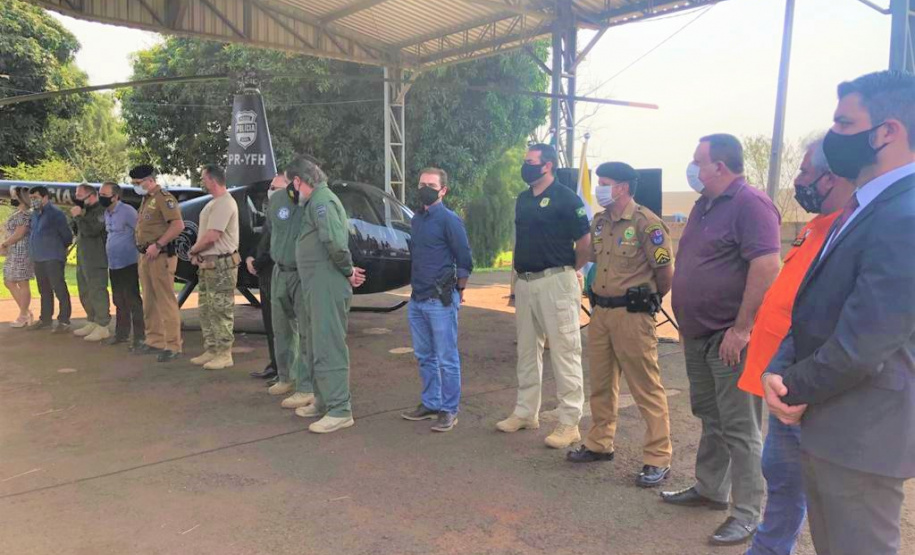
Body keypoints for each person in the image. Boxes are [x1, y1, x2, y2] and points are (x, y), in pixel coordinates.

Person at [763, 70, 915, 555]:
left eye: (844, 124)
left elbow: (865, 340)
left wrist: (792, 385)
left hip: (863, 432)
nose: (835, 137)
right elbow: (821, 311)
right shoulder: (869, 206)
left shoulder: (905, 214)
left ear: (887, 131)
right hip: (835, 423)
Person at [663, 134, 781, 546]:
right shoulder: (704, 205)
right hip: (699, 335)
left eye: (698, 161)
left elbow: (766, 266)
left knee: (741, 427)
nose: (693, 168)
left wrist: (742, 329)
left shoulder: (751, 203)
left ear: (721, 166)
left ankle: (748, 513)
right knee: (711, 417)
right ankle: (711, 489)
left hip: (729, 338)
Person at [737, 138, 854, 555]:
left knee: (823, 494)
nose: (798, 180)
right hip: (785, 380)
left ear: (832, 175)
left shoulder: (853, 230)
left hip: (810, 385)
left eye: (805, 172)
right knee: (783, 477)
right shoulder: (816, 226)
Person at [567, 162, 674, 489]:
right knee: (600, 382)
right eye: (599, 182)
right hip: (600, 313)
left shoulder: (646, 223)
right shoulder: (599, 223)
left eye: (605, 182)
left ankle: (658, 457)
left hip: (632, 315)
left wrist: (649, 298)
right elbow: (595, 260)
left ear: (623, 187)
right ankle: (600, 443)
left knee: (646, 387)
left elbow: (665, 272)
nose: (600, 188)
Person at [496, 143, 591, 450]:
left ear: (547, 165)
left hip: (556, 281)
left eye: (531, 161)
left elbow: (586, 242)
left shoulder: (567, 198)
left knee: (564, 350)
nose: (526, 166)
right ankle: (526, 412)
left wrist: (569, 271)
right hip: (525, 282)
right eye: (525, 160)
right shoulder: (523, 199)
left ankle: (569, 422)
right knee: (527, 350)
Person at [286, 157, 366, 434]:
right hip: (316, 284)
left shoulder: (322, 202)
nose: (291, 191)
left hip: (326, 284)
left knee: (329, 344)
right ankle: (323, 400)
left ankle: (340, 409)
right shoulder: (315, 202)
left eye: (291, 185)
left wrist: (346, 270)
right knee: (317, 343)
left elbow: (334, 242)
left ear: (298, 181)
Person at [400, 167, 473, 433]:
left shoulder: (449, 220)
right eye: (422, 183)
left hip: (440, 300)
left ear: (443, 190)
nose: (425, 188)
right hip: (418, 299)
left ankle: (449, 410)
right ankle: (431, 403)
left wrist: (458, 291)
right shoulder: (417, 220)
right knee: (424, 356)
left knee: (446, 358)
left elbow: (464, 258)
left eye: (431, 184)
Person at [256, 174, 312, 409]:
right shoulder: (276, 206)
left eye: (276, 187)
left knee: (306, 332)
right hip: (279, 270)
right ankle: (285, 376)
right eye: (271, 187)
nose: (272, 191)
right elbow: (267, 236)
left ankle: (306, 386)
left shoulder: (305, 206)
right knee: (281, 329)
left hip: (300, 273)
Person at [130, 165, 185, 363]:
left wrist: (159, 244)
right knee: (149, 299)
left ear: (149, 180)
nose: (136, 187)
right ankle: (154, 339)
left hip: (161, 255)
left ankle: (173, 344)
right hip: (146, 255)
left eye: (138, 183)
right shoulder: (147, 200)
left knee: (165, 300)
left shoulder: (164, 198)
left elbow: (178, 225)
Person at [188, 165, 240, 371]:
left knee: (221, 309)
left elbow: (213, 236)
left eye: (204, 178)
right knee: (207, 308)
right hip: (208, 263)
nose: (202, 181)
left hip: (221, 264)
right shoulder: (214, 203)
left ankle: (224, 353)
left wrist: (193, 250)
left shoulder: (225, 203)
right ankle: (212, 348)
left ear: (212, 179)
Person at [100, 182, 144, 348]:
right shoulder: (106, 213)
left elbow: (139, 231)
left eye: (105, 195)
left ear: (115, 196)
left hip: (129, 262)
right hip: (114, 263)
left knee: (133, 300)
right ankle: (122, 333)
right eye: (100, 194)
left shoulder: (127, 211)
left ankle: (140, 336)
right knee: (118, 299)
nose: (101, 198)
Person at [26, 186, 73, 333]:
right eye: (31, 198)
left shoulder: (55, 214)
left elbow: (67, 236)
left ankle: (64, 321)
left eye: (35, 198)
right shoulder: (34, 214)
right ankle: (45, 319)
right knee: (44, 290)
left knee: (59, 288)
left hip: (53, 256)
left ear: (45, 197)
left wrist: (59, 249)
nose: (33, 201)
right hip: (38, 257)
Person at [70, 183, 112, 342]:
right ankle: (92, 319)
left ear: (92, 196)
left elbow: (91, 231)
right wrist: (76, 218)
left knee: (97, 290)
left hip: (96, 257)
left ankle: (103, 325)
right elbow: (78, 231)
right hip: (83, 256)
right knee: (85, 290)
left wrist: (78, 217)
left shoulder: (101, 211)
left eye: (80, 196)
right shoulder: (85, 211)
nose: (77, 199)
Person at [245, 183, 278, 380]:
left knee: (280, 325)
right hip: (265, 275)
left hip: (275, 272)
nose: (271, 190)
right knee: (270, 323)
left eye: (276, 187)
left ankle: (283, 369)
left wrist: (258, 262)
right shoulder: (273, 211)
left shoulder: (287, 213)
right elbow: (262, 240)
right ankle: (275, 364)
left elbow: (277, 246)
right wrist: (250, 257)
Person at [1, 188, 34, 327]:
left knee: (22, 281)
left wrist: (5, 243)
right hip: (14, 250)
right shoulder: (19, 213)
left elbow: (20, 233)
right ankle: (26, 312)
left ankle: (24, 315)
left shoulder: (24, 214)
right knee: (9, 281)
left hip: (21, 250)